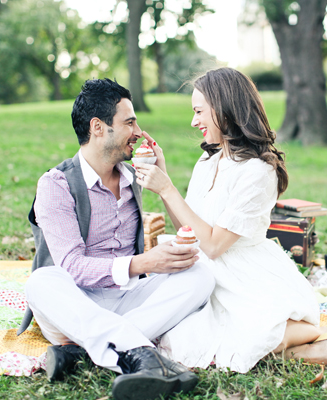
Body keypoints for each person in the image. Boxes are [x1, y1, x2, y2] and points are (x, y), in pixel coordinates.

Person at [134, 68, 327, 373]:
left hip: (242, 274)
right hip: (202, 269)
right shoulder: (208, 159)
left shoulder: (258, 171)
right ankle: (323, 346)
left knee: (242, 340)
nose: (193, 122)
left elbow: (215, 245)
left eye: (198, 111)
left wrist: (167, 188)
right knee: (184, 336)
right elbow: (188, 229)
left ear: (224, 109)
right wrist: (165, 178)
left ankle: (322, 338)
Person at [22, 78, 215, 400]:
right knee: (41, 282)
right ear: (98, 128)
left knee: (200, 275)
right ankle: (146, 355)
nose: (139, 131)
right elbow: (72, 267)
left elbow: (179, 227)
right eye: (129, 122)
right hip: (75, 302)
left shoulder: (131, 177)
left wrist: (162, 174)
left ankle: (83, 354)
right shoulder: (55, 185)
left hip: (129, 296)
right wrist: (145, 262)